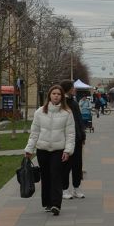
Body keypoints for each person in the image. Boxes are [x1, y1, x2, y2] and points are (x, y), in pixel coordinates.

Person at [24, 85, 76, 216]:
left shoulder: (67, 113)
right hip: (42, 150)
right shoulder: (40, 112)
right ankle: (47, 202)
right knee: (46, 176)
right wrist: (29, 149)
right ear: (49, 96)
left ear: (62, 96)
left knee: (56, 176)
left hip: (59, 150)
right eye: (54, 93)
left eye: (59, 94)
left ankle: (56, 204)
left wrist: (68, 151)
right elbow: (34, 133)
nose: (56, 96)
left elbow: (70, 134)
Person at [59, 80, 86, 199]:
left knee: (77, 164)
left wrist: (82, 135)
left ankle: (76, 187)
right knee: (66, 165)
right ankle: (64, 189)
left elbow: (79, 120)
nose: (75, 89)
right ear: (68, 89)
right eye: (73, 87)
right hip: (66, 140)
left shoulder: (74, 103)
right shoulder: (62, 103)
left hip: (78, 139)